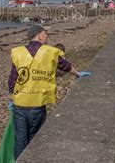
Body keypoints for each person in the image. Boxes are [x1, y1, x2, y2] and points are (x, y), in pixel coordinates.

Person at [8, 25, 90, 159]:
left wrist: (12, 98)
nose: (46, 36)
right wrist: (78, 74)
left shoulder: (18, 52)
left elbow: (12, 80)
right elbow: (66, 66)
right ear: (39, 35)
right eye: (45, 33)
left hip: (20, 104)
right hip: (37, 104)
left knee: (20, 139)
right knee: (35, 138)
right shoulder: (51, 52)